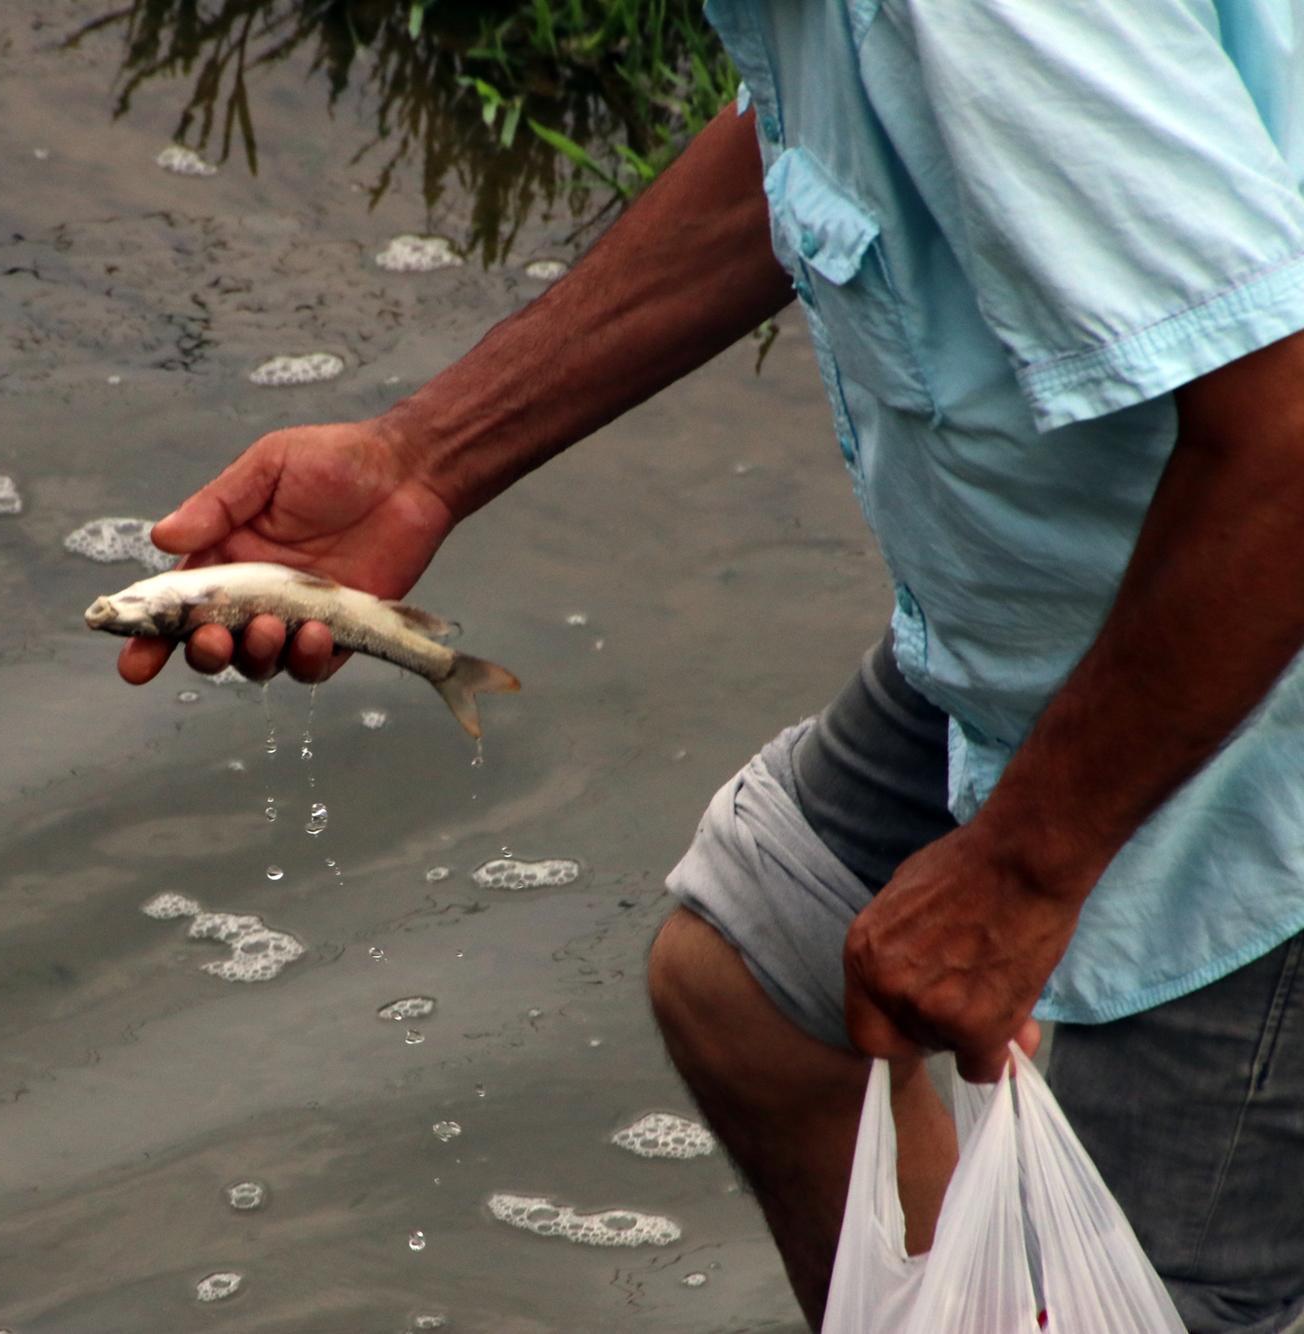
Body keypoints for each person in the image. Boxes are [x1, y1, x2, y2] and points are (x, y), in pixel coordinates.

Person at [115, 4, 1304, 1329]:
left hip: (1254, 706)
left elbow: (1291, 440)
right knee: (754, 969)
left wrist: (1025, 867)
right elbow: (832, 153)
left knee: (1131, 1296)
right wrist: (423, 459)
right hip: (1059, 627)